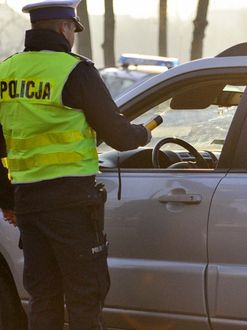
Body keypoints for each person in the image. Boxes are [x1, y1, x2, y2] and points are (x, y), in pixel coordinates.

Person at [0, 0, 151, 329]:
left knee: (44, 295)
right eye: (72, 30)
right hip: (70, 203)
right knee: (85, 292)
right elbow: (120, 135)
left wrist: (8, 200)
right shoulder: (75, 70)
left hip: (28, 203)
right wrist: (143, 134)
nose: (72, 36)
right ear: (62, 28)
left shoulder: (6, 71)